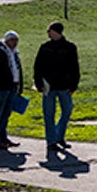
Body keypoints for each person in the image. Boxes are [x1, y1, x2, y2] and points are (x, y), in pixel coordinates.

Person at [33, 22, 81, 158]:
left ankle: (59, 135)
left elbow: (74, 67)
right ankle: (51, 141)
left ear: (56, 32)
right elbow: (38, 66)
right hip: (48, 87)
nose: (48, 33)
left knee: (67, 110)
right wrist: (38, 83)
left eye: (50, 31)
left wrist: (73, 85)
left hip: (65, 86)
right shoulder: (45, 47)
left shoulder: (70, 47)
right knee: (49, 114)